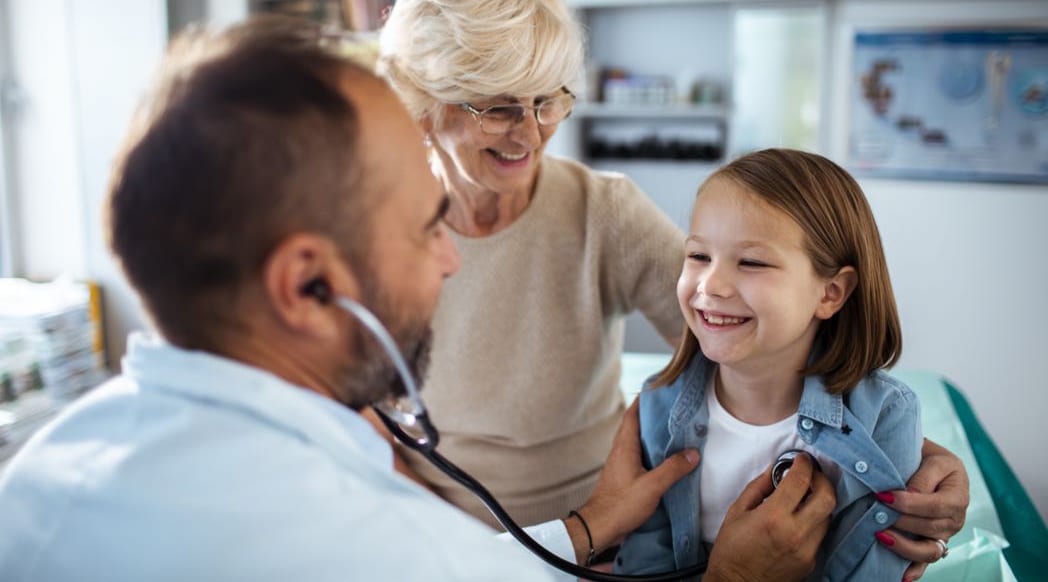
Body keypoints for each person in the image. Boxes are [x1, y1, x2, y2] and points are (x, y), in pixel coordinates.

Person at [0, 16, 844, 582]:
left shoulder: (37, 477)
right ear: (305, 284)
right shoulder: (386, 546)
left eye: (547, 101)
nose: (450, 258)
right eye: (420, 225)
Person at [613, 149, 936, 580]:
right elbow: (643, 566)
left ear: (831, 293)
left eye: (751, 262)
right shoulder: (657, 405)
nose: (711, 284)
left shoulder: (886, 416)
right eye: (698, 256)